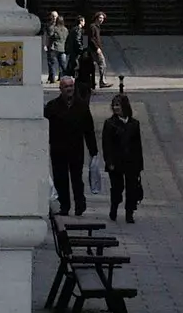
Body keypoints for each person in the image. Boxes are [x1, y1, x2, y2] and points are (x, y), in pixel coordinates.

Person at [44, 74, 98, 216]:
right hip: (58, 149)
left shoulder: (81, 106)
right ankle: (64, 205)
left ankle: (80, 203)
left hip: (76, 148)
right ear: (60, 88)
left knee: (77, 178)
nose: (69, 89)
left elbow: (89, 129)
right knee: (60, 178)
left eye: (71, 86)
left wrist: (93, 150)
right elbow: (45, 128)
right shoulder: (52, 107)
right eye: (66, 86)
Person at [102, 93, 143, 223]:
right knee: (117, 188)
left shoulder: (134, 124)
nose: (115, 108)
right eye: (114, 105)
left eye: (118, 105)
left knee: (131, 188)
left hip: (131, 162)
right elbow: (106, 145)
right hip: (116, 162)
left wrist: (139, 165)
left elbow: (138, 146)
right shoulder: (109, 124)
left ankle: (129, 212)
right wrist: (109, 162)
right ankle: (114, 207)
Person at [89, 12, 110, 89]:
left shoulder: (97, 27)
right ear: (96, 18)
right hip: (94, 49)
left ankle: (94, 82)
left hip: (96, 49)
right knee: (102, 64)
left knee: (95, 65)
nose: (102, 20)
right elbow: (92, 38)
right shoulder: (93, 27)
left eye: (103, 18)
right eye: (100, 18)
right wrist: (97, 47)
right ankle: (102, 82)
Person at [49, 14, 68, 80]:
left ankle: (52, 78)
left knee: (52, 64)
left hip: (54, 48)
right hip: (63, 48)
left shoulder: (54, 28)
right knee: (62, 65)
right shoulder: (65, 29)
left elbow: (51, 36)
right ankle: (63, 77)